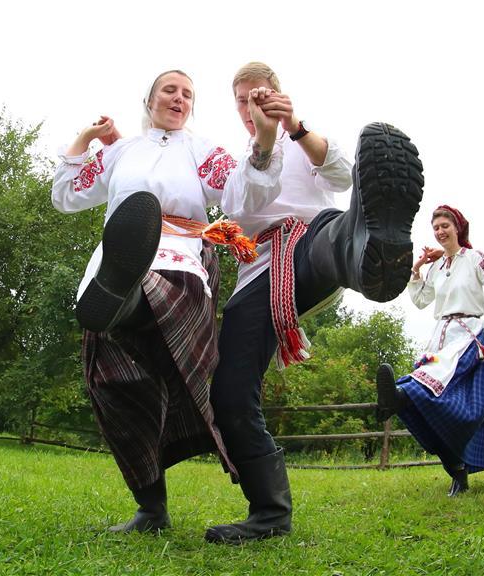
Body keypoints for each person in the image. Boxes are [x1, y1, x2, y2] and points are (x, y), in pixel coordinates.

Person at [204, 62, 424, 544]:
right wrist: (263, 143)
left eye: (257, 96)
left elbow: (345, 175)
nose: (249, 107)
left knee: (326, 230)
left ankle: (365, 246)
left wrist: (293, 127)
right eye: (241, 100)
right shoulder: (238, 160)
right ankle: (269, 512)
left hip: (311, 246)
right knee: (228, 393)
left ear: (278, 95)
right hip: (258, 272)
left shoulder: (302, 138)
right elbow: (241, 209)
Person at [51, 69, 279, 533]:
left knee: (160, 295)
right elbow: (67, 195)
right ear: (149, 99)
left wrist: (264, 141)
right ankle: (151, 510)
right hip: (111, 270)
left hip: (180, 262)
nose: (179, 98)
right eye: (170, 90)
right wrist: (86, 138)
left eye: (188, 95)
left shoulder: (199, 149)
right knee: (115, 386)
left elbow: (239, 191)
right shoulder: (121, 151)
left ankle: (130, 295)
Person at [375, 206, 484, 496]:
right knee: (425, 400)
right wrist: (416, 270)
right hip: (440, 340)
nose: (439, 231)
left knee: (436, 396)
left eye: (444, 225)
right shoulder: (437, 267)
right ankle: (456, 471)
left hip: (468, 338)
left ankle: (398, 397)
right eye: (435, 227)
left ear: (458, 227)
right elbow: (422, 300)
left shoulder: (477, 258)